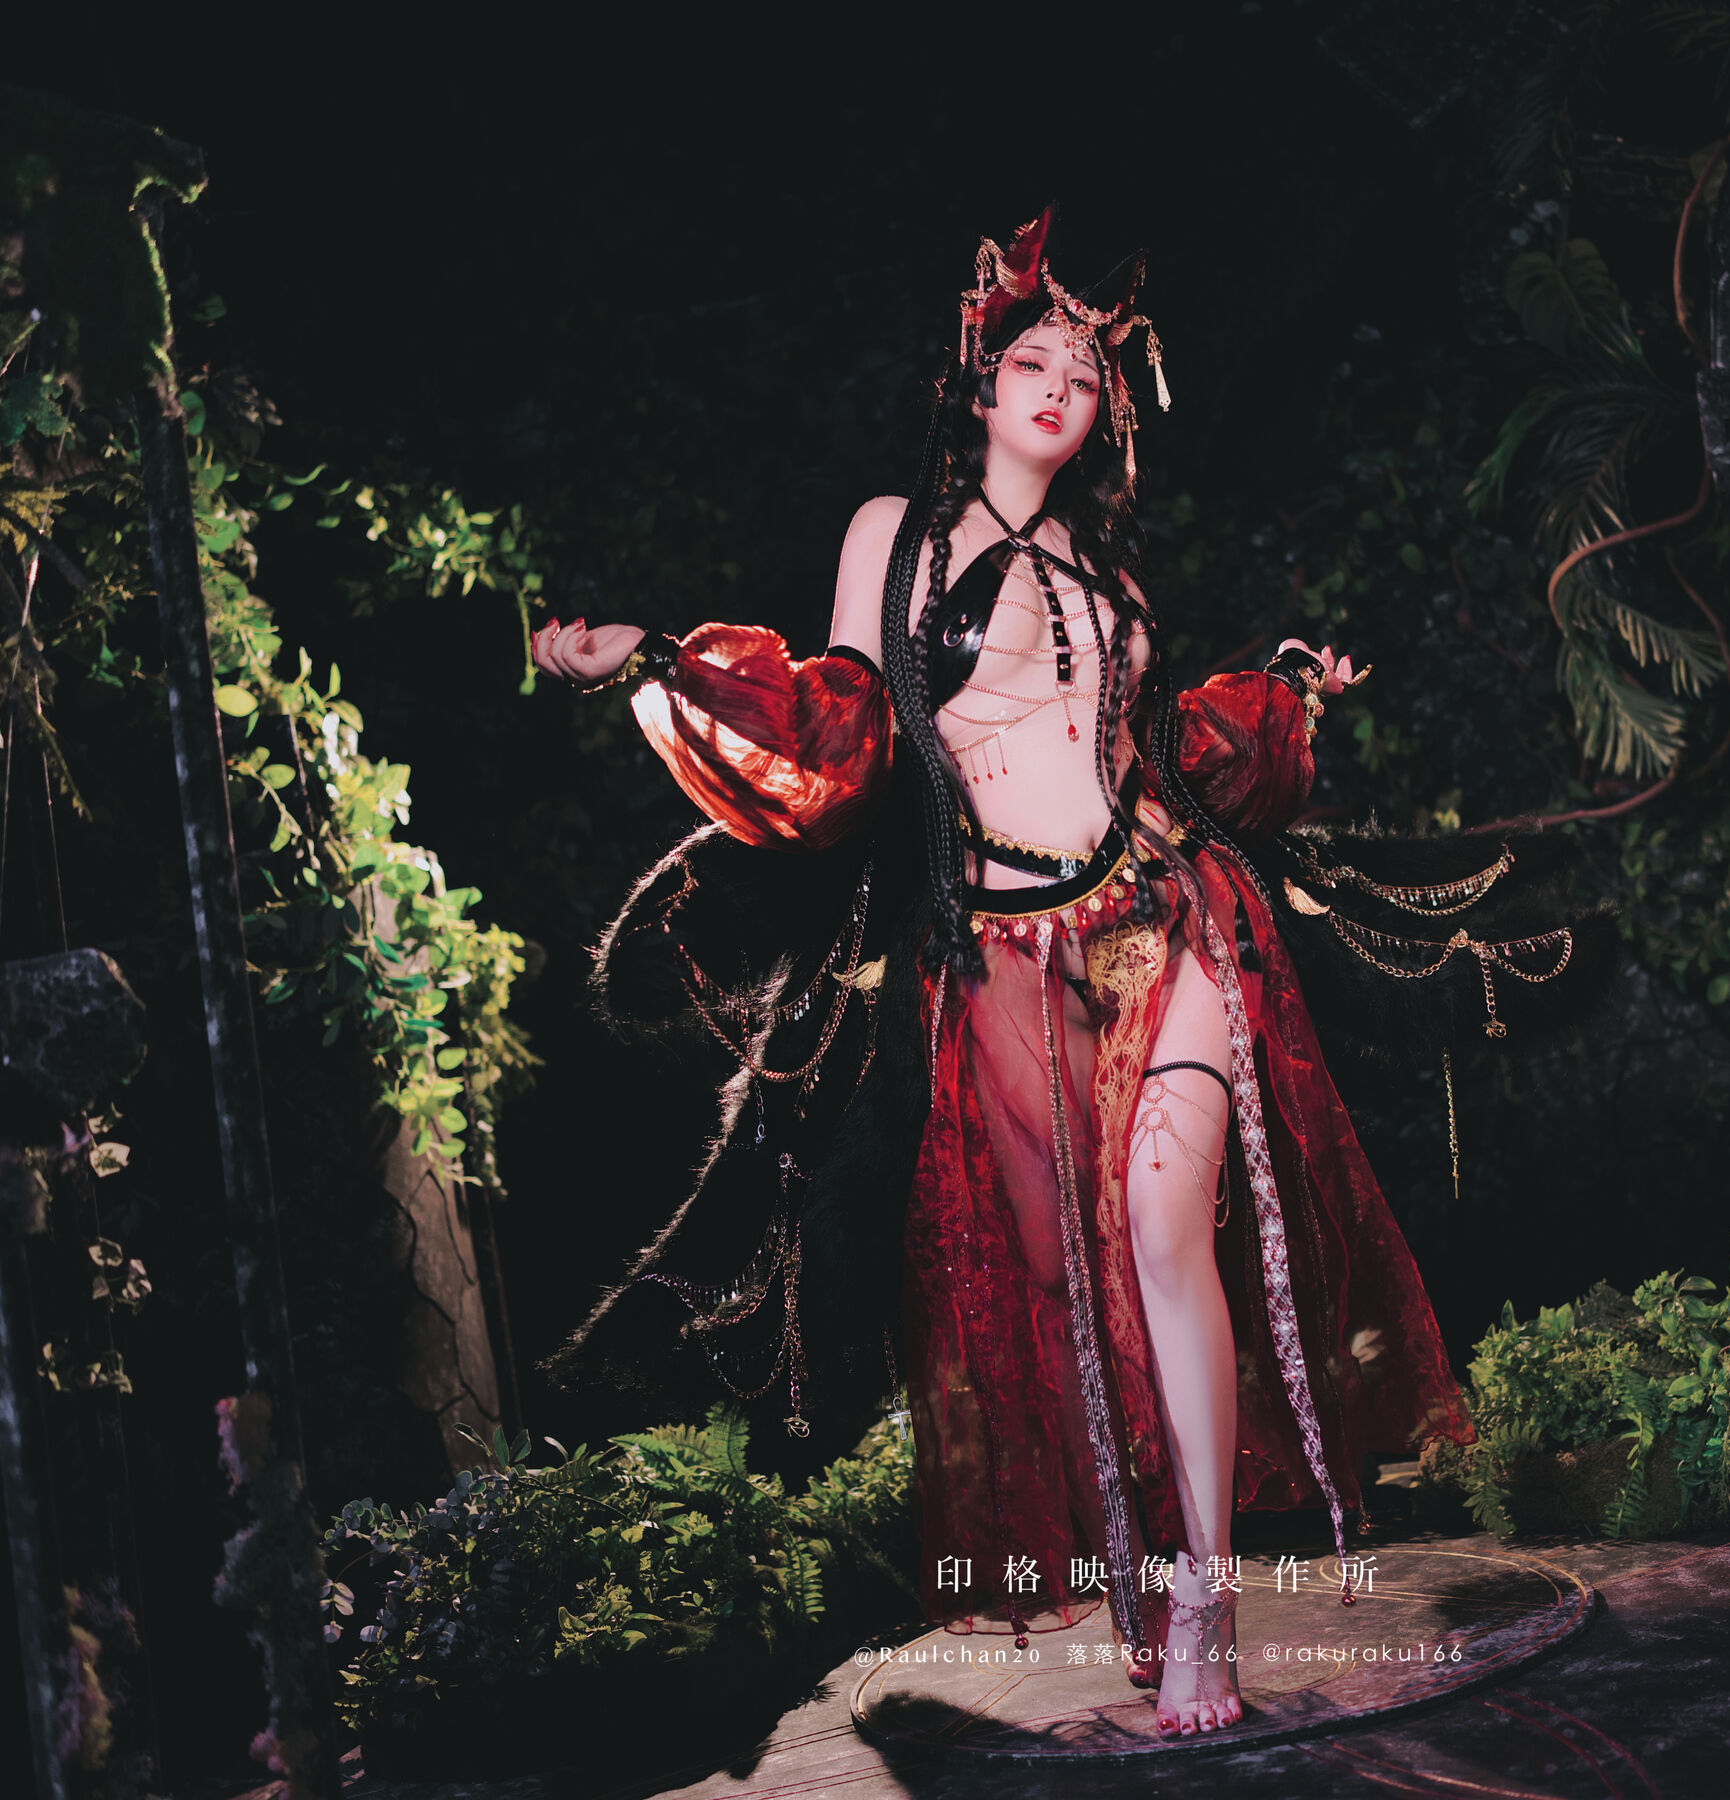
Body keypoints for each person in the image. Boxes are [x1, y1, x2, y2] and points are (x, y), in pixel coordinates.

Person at [535, 214, 1475, 1737]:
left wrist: (1291, 697)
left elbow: (1164, 753)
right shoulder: (893, 538)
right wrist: (657, 661)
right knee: (1064, 1283)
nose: (1058, 389)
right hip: (996, 962)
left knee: (1162, 1230)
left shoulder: (1108, 568)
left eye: (1085, 377)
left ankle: (1205, 1614)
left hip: (1162, 915)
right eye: (1033, 361)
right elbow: (838, 731)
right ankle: (1142, 1577)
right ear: (978, 385)